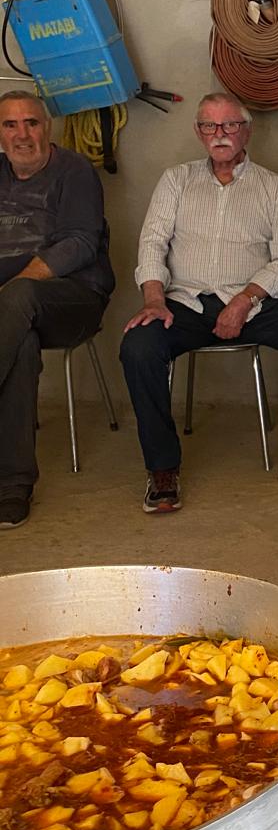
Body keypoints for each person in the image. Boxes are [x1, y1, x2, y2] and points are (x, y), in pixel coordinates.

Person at [120, 91, 278, 512]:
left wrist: (243, 301)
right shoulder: (176, 180)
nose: (219, 134)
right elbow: (152, 241)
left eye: (229, 125)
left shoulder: (275, 188)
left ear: (246, 131)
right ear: (199, 132)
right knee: (138, 347)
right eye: (209, 126)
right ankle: (162, 468)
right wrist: (153, 298)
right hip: (183, 303)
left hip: (253, 303)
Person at [0, 90, 114, 529]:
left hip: (74, 299)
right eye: (11, 125)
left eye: (31, 122)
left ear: (47, 127)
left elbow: (80, 244)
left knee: (18, 300)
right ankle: (12, 486)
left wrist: (15, 285)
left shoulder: (74, 172)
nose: (22, 134)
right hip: (13, 316)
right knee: (19, 340)